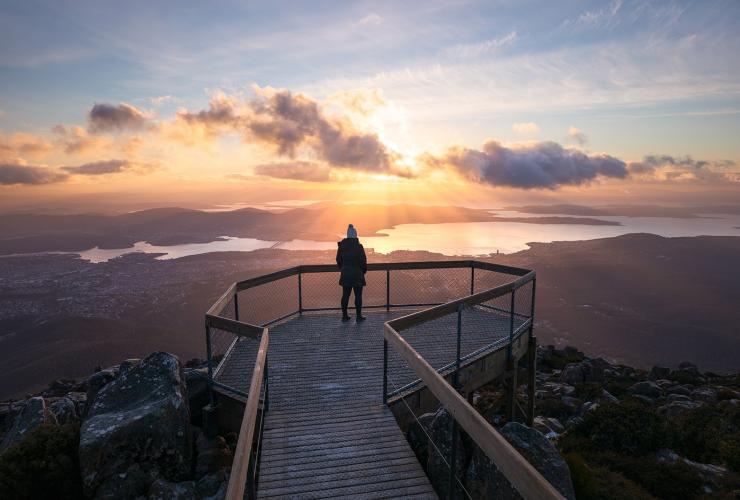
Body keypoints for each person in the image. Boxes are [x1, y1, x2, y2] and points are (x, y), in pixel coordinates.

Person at [336, 224, 367, 322]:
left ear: (347, 235)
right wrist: (363, 271)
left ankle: (344, 316)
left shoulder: (341, 246)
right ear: (355, 235)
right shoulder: (359, 246)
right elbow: (363, 261)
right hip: (357, 274)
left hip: (346, 274)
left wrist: (343, 269)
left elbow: (338, 260)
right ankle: (358, 316)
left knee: (345, 295)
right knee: (358, 295)